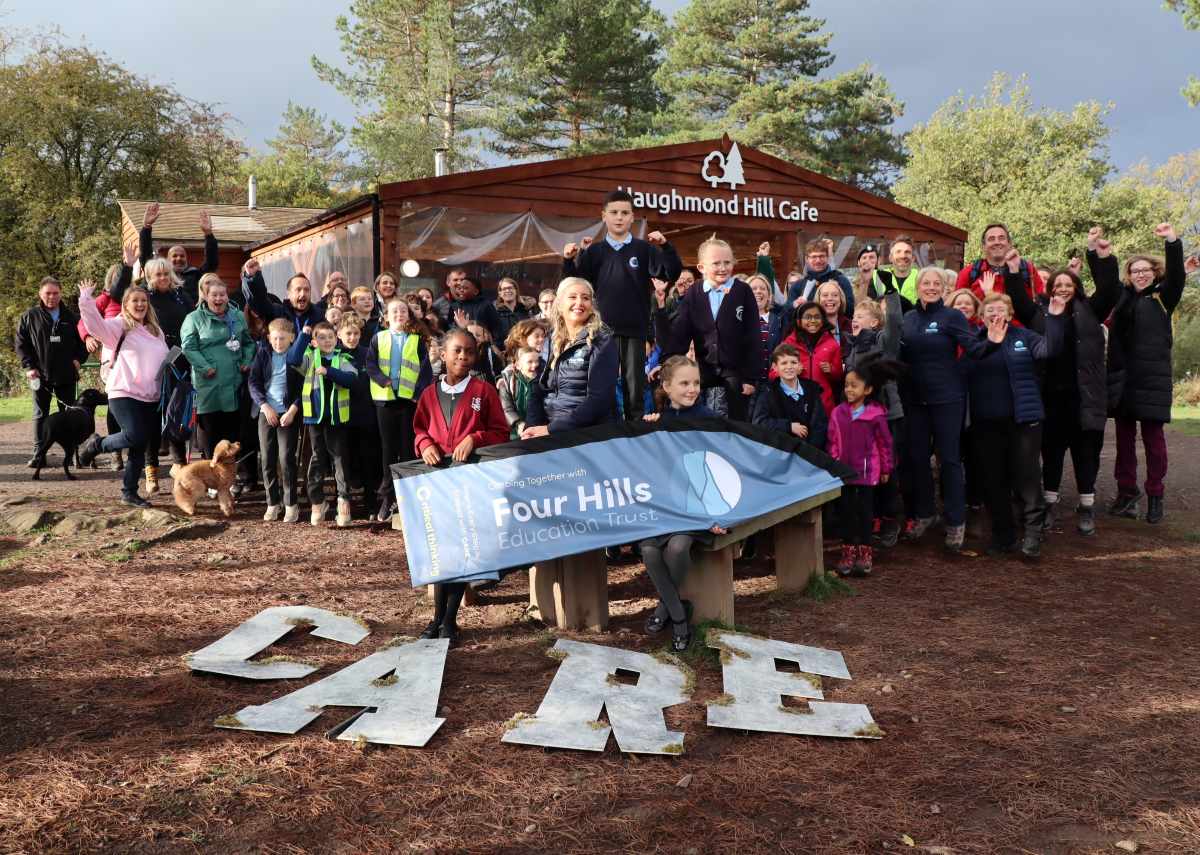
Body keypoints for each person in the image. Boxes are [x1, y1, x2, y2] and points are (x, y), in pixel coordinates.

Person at [1006, 228, 1122, 536]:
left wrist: (1101, 254)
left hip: (1085, 398)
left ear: (1077, 287)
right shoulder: (1038, 314)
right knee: (1052, 454)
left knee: (1087, 455)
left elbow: (1110, 289)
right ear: (1049, 289)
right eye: (1057, 285)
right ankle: (1049, 504)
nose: (1062, 289)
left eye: (1068, 284)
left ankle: (1086, 507)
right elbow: (1017, 298)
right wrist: (1014, 269)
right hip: (1050, 398)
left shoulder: (1091, 310)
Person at [413, 329, 510, 643]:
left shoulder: (484, 391)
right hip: (438, 482)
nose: (463, 357)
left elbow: (500, 432)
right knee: (442, 553)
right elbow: (418, 429)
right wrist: (425, 443)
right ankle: (437, 619)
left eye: (469, 352)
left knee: (460, 551)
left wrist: (475, 437)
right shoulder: (429, 394)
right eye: (457, 351)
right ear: (444, 354)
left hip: (470, 483)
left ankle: (449, 621)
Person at [900, 266, 999, 552]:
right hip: (915, 400)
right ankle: (925, 513)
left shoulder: (952, 316)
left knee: (950, 461)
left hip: (947, 399)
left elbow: (973, 348)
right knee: (917, 459)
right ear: (918, 287)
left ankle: (956, 521)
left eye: (936, 283)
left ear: (944, 288)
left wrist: (991, 341)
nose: (931, 287)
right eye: (926, 283)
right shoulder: (908, 318)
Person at [562, 189, 682, 421]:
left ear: (631, 217)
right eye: (614, 212)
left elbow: (670, 273)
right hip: (600, 333)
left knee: (634, 389)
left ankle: (635, 434)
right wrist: (568, 260)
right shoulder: (594, 252)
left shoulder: (643, 249)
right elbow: (574, 283)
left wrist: (666, 247)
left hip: (635, 332)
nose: (619, 217)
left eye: (625, 213)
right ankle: (605, 434)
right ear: (604, 216)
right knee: (602, 388)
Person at [967, 292, 1067, 560]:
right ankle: (1004, 536)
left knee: (1027, 478)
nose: (995, 314)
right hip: (986, 423)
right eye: (989, 310)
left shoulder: (1024, 338)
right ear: (982, 316)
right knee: (994, 481)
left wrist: (1055, 318)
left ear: (1010, 315)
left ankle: (1034, 534)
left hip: (1024, 421)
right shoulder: (975, 341)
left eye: (1000, 310)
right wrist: (989, 343)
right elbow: (964, 368)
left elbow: (1051, 349)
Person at [639, 355, 726, 652]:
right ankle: (678, 611)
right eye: (685, 383)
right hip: (664, 507)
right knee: (649, 549)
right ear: (666, 386)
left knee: (677, 548)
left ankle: (669, 613)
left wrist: (715, 513)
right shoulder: (659, 421)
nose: (692, 389)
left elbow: (717, 469)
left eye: (697, 383)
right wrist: (649, 429)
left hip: (696, 508)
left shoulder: (710, 420)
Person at [1104, 223, 1186, 523]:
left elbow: (1177, 274)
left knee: (1154, 441)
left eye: (1145, 270)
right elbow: (1105, 286)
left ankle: (1155, 494)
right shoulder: (1122, 299)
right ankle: (1126, 493)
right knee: (1123, 441)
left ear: (1155, 272)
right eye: (1134, 270)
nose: (1140, 274)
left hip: (1152, 381)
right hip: (1123, 380)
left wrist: (1171, 241)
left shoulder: (1164, 297)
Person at [76, 280, 168, 507]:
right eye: (134, 301)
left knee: (139, 444)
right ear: (125, 305)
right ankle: (97, 445)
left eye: (143, 301)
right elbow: (95, 326)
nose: (140, 305)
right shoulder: (118, 326)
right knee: (135, 435)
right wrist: (86, 300)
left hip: (151, 396)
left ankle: (129, 492)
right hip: (123, 392)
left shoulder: (156, 331)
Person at [653, 235, 759, 420]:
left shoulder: (743, 290)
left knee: (739, 416)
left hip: (734, 369)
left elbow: (753, 336)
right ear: (701, 267)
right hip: (704, 367)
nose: (723, 268)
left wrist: (750, 378)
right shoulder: (694, 293)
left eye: (727, 262)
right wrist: (665, 363)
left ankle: (734, 445)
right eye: (716, 263)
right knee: (685, 397)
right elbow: (679, 336)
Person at [845, 290, 905, 548]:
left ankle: (892, 519)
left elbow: (895, 327)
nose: (855, 319)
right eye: (854, 316)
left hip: (886, 416)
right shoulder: (852, 345)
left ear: (875, 322)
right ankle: (873, 519)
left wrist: (891, 298)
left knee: (886, 470)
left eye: (861, 316)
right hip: (859, 420)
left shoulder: (882, 341)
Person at [523, 278, 619, 437]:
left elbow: (599, 400)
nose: (579, 302)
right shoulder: (552, 340)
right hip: (550, 432)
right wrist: (532, 428)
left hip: (587, 436)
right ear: (559, 304)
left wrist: (550, 429)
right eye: (573, 297)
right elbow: (537, 389)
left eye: (586, 298)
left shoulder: (602, 341)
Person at [828, 360, 897, 577]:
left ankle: (865, 552)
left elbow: (885, 444)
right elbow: (832, 442)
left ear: (867, 389)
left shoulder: (876, 414)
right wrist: (834, 464)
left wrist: (886, 469)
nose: (849, 389)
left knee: (866, 513)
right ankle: (848, 552)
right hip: (845, 474)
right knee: (847, 513)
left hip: (868, 474)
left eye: (854, 385)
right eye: (847, 385)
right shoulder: (838, 413)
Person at [367, 298, 433, 522]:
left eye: (403, 311)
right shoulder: (378, 338)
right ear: (386, 316)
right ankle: (387, 497)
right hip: (384, 400)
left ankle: (406, 498)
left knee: (406, 449)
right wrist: (382, 379)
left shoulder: (416, 340)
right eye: (394, 311)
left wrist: (417, 393)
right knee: (387, 449)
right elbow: (370, 364)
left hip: (407, 401)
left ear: (408, 316)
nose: (399, 314)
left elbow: (425, 370)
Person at [289, 320, 358, 526]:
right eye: (322, 338)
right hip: (315, 419)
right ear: (315, 342)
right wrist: (303, 335)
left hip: (336, 419)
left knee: (339, 459)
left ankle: (343, 500)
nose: (327, 341)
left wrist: (330, 372)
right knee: (317, 459)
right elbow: (292, 359)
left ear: (336, 340)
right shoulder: (310, 358)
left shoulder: (342, 358)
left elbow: (352, 379)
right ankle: (317, 501)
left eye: (330, 337)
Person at [16, 277, 87, 468]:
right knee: (40, 415)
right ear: (40, 293)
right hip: (40, 376)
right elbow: (21, 344)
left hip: (66, 376)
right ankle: (39, 454)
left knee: (70, 417)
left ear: (61, 293)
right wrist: (29, 367)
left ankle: (74, 455)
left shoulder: (72, 318)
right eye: (48, 293)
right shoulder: (29, 317)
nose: (52, 297)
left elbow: (84, 343)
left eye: (55, 293)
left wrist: (78, 359)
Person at [180, 274, 254, 458]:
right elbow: (188, 348)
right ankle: (211, 473)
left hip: (234, 380)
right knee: (210, 429)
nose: (219, 299)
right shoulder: (193, 318)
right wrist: (205, 367)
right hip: (209, 383)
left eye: (222, 295)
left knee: (232, 430)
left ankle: (231, 473)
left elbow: (248, 342)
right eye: (214, 295)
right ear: (205, 296)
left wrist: (246, 361)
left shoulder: (237, 316)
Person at [249, 318, 303, 522]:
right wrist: (264, 405)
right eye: (275, 339)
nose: (278, 342)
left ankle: (291, 503)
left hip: (288, 413)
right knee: (267, 459)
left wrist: (292, 410)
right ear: (269, 339)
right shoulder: (263, 354)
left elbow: (302, 387)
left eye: (282, 338)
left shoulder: (296, 357)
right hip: (266, 412)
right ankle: (272, 502)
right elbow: (253, 382)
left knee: (287, 458)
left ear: (291, 338)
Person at [338, 315, 382, 513]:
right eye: (348, 333)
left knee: (368, 459)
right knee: (345, 460)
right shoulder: (334, 354)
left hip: (365, 414)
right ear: (339, 334)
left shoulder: (367, 354)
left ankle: (370, 502)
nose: (352, 337)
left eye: (356, 333)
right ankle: (345, 502)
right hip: (342, 416)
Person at [138, 202, 218, 305]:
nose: (179, 258)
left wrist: (208, 234)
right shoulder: (158, 274)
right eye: (174, 256)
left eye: (182, 256)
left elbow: (211, 263)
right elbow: (146, 257)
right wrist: (146, 227)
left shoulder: (195, 275)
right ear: (167, 259)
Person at [752, 343, 828, 449]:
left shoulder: (812, 389)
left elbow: (820, 424)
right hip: (780, 451)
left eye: (793, 362)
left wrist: (809, 450)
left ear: (799, 365)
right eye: (784, 363)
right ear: (775, 367)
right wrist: (788, 426)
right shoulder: (768, 392)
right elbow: (759, 422)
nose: (789, 367)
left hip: (809, 453)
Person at [776, 302, 843, 416]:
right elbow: (773, 373)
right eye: (808, 317)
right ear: (798, 321)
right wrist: (790, 371)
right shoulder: (788, 344)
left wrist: (831, 370)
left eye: (817, 317)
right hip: (794, 405)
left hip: (823, 405)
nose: (813, 321)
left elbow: (839, 375)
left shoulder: (832, 344)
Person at [957, 223, 1046, 307]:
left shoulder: (1027, 269)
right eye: (991, 239)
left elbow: (1041, 305)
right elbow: (958, 308)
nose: (997, 242)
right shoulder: (970, 273)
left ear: (1009, 243)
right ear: (983, 246)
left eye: (1001, 238)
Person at [244, 262, 327, 338]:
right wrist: (254, 277)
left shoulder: (319, 315)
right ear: (289, 294)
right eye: (298, 290)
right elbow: (259, 301)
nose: (303, 294)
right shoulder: (278, 313)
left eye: (306, 290)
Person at [787, 239, 855, 317]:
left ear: (828, 257)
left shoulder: (840, 280)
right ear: (807, 259)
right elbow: (786, 311)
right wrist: (794, 305)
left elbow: (850, 310)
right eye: (814, 257)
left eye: (821, 256)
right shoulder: (799, 285)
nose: (818, 260)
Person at [433, 270, 501, 339]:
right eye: (460, 288)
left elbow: (497, 329)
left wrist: (494, 344)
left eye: (465, 288)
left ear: (476, 291)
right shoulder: (454, 306)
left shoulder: (486, 305)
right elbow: (449, 329)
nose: (461, 290)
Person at [498, 346, 540, 440]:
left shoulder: (543, 380)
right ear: (518, 365)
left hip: (538, 429)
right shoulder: (507, 382)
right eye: (530, 362)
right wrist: (519, 423)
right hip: (515, 431)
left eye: (537, 361)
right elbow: (506, 408)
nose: (535, 365)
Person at [872, 236, 920, 308]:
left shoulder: (921, 277)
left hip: (914, 318)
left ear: (913, 258)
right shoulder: (877, 277)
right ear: (890, 258)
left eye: (907, 252)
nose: (903, 256)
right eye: (898, 252)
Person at [493, 277, 534, 343]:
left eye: (510, 288)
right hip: (501, 351)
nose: (507, 291)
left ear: (516, 291)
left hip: (523, 350)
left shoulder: (526, 310)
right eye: (504, 289)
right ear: (500, 293)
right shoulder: (494, 312)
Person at [815, 280, 852, 348]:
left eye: (835, 295)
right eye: (825, 295)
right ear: (818, 300)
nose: (830, 298)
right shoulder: (811, 326)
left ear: (841, 300)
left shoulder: (850, 326)